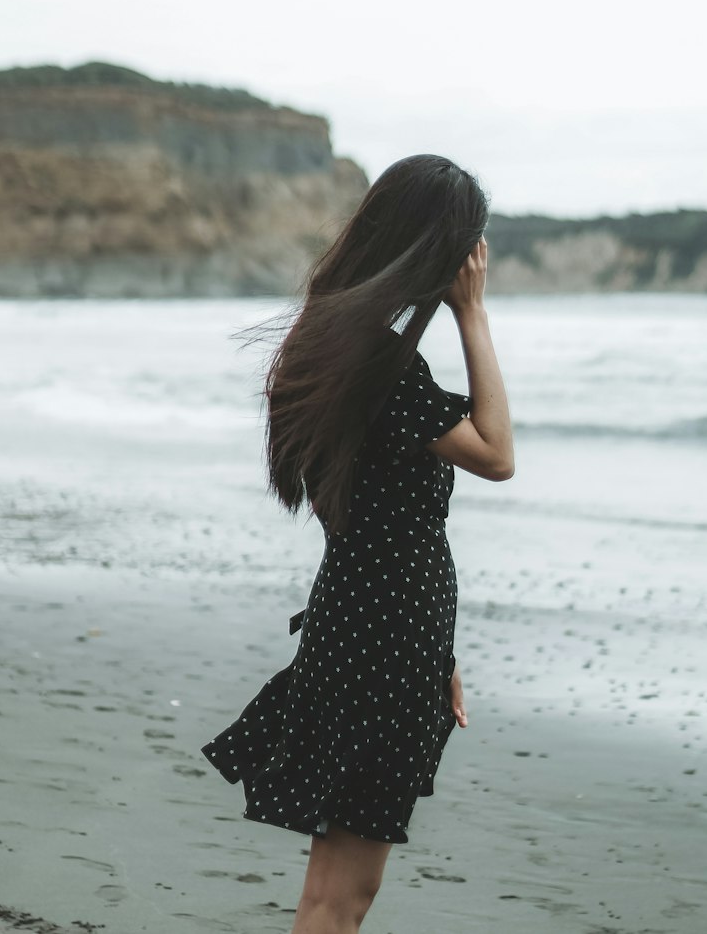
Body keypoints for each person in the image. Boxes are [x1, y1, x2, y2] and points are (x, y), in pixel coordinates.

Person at [201, 153, 514, 933]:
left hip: (371, 622)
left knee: (335, 889)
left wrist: (437, 655)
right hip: (382, 633)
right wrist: (473, 315)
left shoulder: (339, 346)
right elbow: (497, 455)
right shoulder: (380, 364)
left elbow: (377, 525)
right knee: (343, 895)